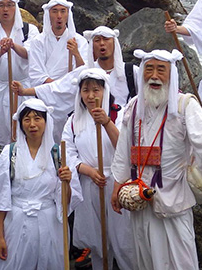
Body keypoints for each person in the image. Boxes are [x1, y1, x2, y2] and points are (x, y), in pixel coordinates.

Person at [111, 49, 202, 270]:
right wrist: (118, 185)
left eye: (161, 70)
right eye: (149, 68)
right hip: (139, 196)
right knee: (144, 257)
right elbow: (122, 150)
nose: (154, 75)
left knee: (179, 259)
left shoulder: (185, 105)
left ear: (171, 74)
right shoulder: (134, 105)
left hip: (173, 197)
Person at [0, 98, 81, 270]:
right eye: (27, 119)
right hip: (17, 222)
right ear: (21, 124)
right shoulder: (9, 153)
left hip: (50, 223)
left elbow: (67, 201)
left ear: (46, 122)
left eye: (37, 118)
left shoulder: (59, 154)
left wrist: (67, 182)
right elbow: (0, 197)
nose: (32, 124)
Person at [63, 68, 136, 270]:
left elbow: (126, 148)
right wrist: (87, 170)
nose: (91, 95)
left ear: (105, 91)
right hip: (89, 183)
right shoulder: (73, 121)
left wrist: (106, 123)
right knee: (97, 242)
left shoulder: (119, 114)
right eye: (86, 90)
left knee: (124, 241)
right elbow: (67, 151)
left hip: (116, 182)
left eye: (96, 90)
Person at [0, 0, 39, 146]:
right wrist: (2, 51)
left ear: (16, 8)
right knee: (2, 131)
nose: (6, 9)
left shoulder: (29, 30)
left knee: (27, 126)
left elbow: (30, 53)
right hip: (1, 86)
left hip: (25, 86)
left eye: (10, 5)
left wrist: (13, 45)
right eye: (1, 6)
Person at [27, 0, 89, 142]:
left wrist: (76, 54)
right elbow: (36, 74)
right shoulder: (38, 41)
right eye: (55, 11)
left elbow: (85, 73)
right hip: (46, 96)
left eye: (63, 11)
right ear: (48, 14)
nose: (59, 16)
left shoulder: (79, 41)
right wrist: (56, 89)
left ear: (68, 14)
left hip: (71, 98)